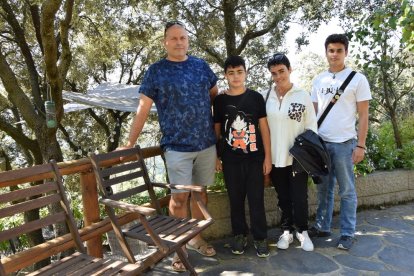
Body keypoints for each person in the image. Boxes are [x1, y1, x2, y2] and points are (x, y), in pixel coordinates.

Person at [118, 21, 218, 272]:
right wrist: (129, 143)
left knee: (201, 194)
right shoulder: (156, 71)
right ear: (165, 42)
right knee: (179, 197)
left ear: (188, 40)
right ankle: (179, 249)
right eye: (173, 38)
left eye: (183, 37)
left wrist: (221, 138)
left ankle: (195, 239)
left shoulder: (201, 67)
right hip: (176, 147)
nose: (179, 42)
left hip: (206, 144)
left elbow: (216, 99)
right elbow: (143, 108)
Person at [309, 34, 371, 250]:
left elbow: (363, 115)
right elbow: (313, 112)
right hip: (322, 144)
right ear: (326, 52)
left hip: (345, 144)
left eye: (339, 50)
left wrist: (361, 145)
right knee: (324, 189)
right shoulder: (318, 79)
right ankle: (322, 226)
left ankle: (347, 233)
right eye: (331, 50)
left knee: (346, 190)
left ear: (346, 52)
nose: (334, 54)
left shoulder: (357, 79)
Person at [213, 56, 272, 258]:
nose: (235, 76)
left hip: (255, 158)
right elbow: (217, 131)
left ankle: (260, 237)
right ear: (225, 75)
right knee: (235, 200)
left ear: (245, 72)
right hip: (230, 160)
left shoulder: (256, 97)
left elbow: (264, 128)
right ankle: (239, 235)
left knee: (256, 200)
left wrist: (268, 157)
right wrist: (216, 157)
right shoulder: (220, 101)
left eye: (239, 72)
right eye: (231, 73)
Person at [265, 53, 317, 251]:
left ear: (290, 70)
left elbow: (311, 127)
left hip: (298, 158)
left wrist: (307, 154)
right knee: (283, 197)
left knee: (299, 197)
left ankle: (302, 232)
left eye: (281, 71)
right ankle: (286, 231)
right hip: (276, 157)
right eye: (274, 73)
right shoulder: (266, 96)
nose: (278, 76)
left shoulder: (302, 95)